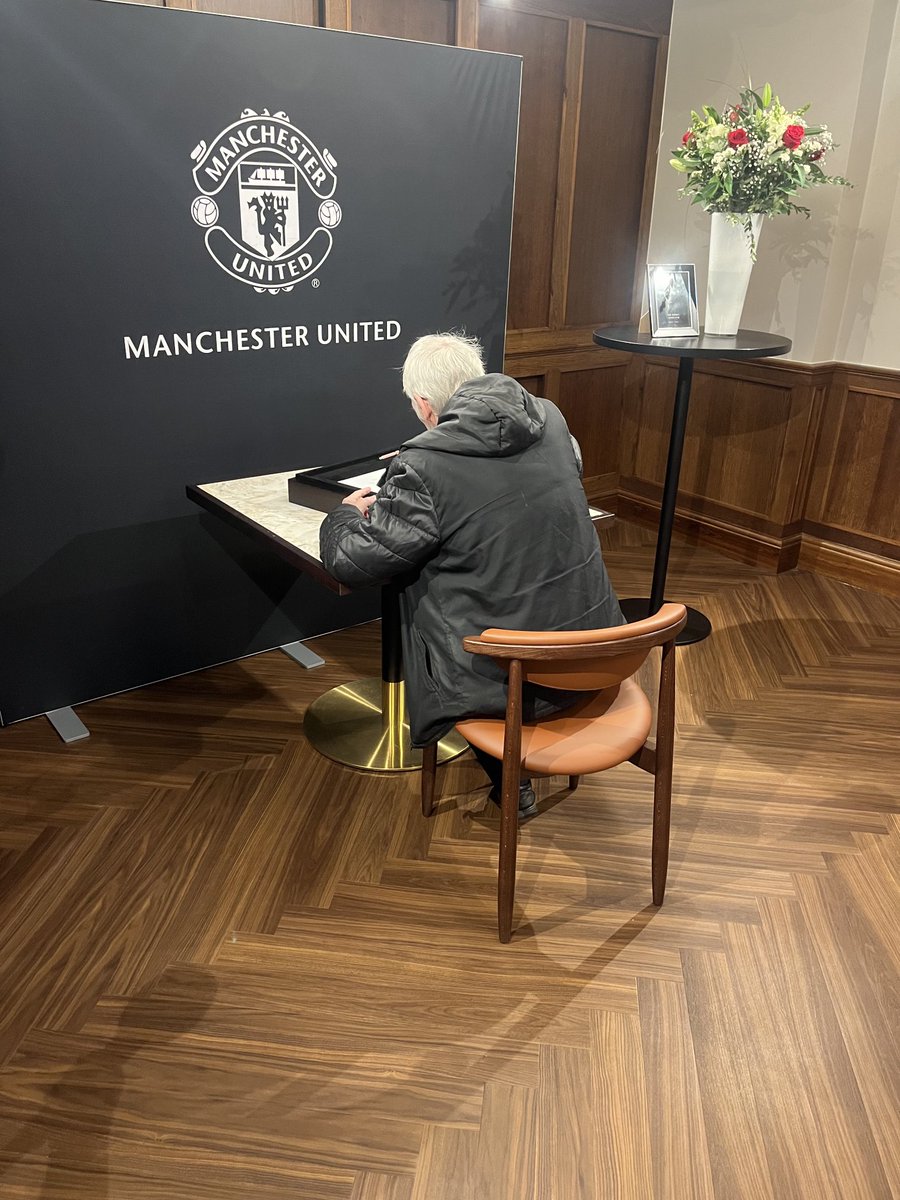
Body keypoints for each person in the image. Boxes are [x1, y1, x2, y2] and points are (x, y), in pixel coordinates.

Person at [319, 332, 624, 818]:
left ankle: (509, 775)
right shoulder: (548, 416)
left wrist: (343, 516)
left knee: (424, 594)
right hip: (600, 650)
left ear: (423, 405)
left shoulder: (424, 466)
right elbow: (563, 469)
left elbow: (355, 562)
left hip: (519, 683)